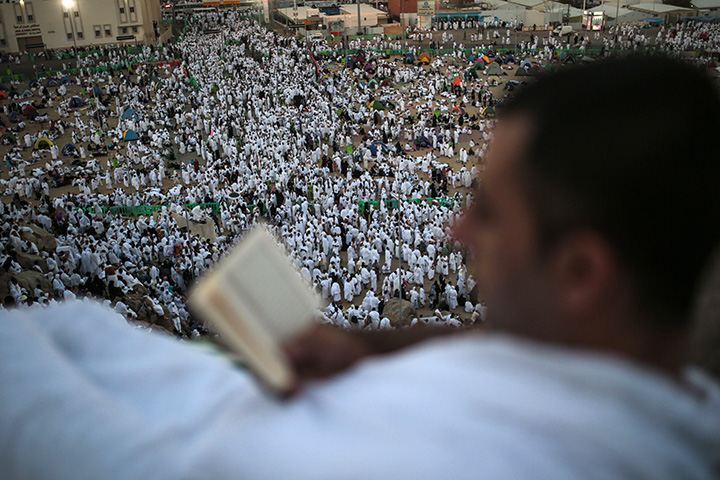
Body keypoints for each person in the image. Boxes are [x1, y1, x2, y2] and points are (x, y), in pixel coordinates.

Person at [2, 56, 720, 480]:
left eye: (489, 211)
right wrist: (372, 345)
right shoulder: (680, 404)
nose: (456, 228)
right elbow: (528, 350)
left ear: (581, 272)